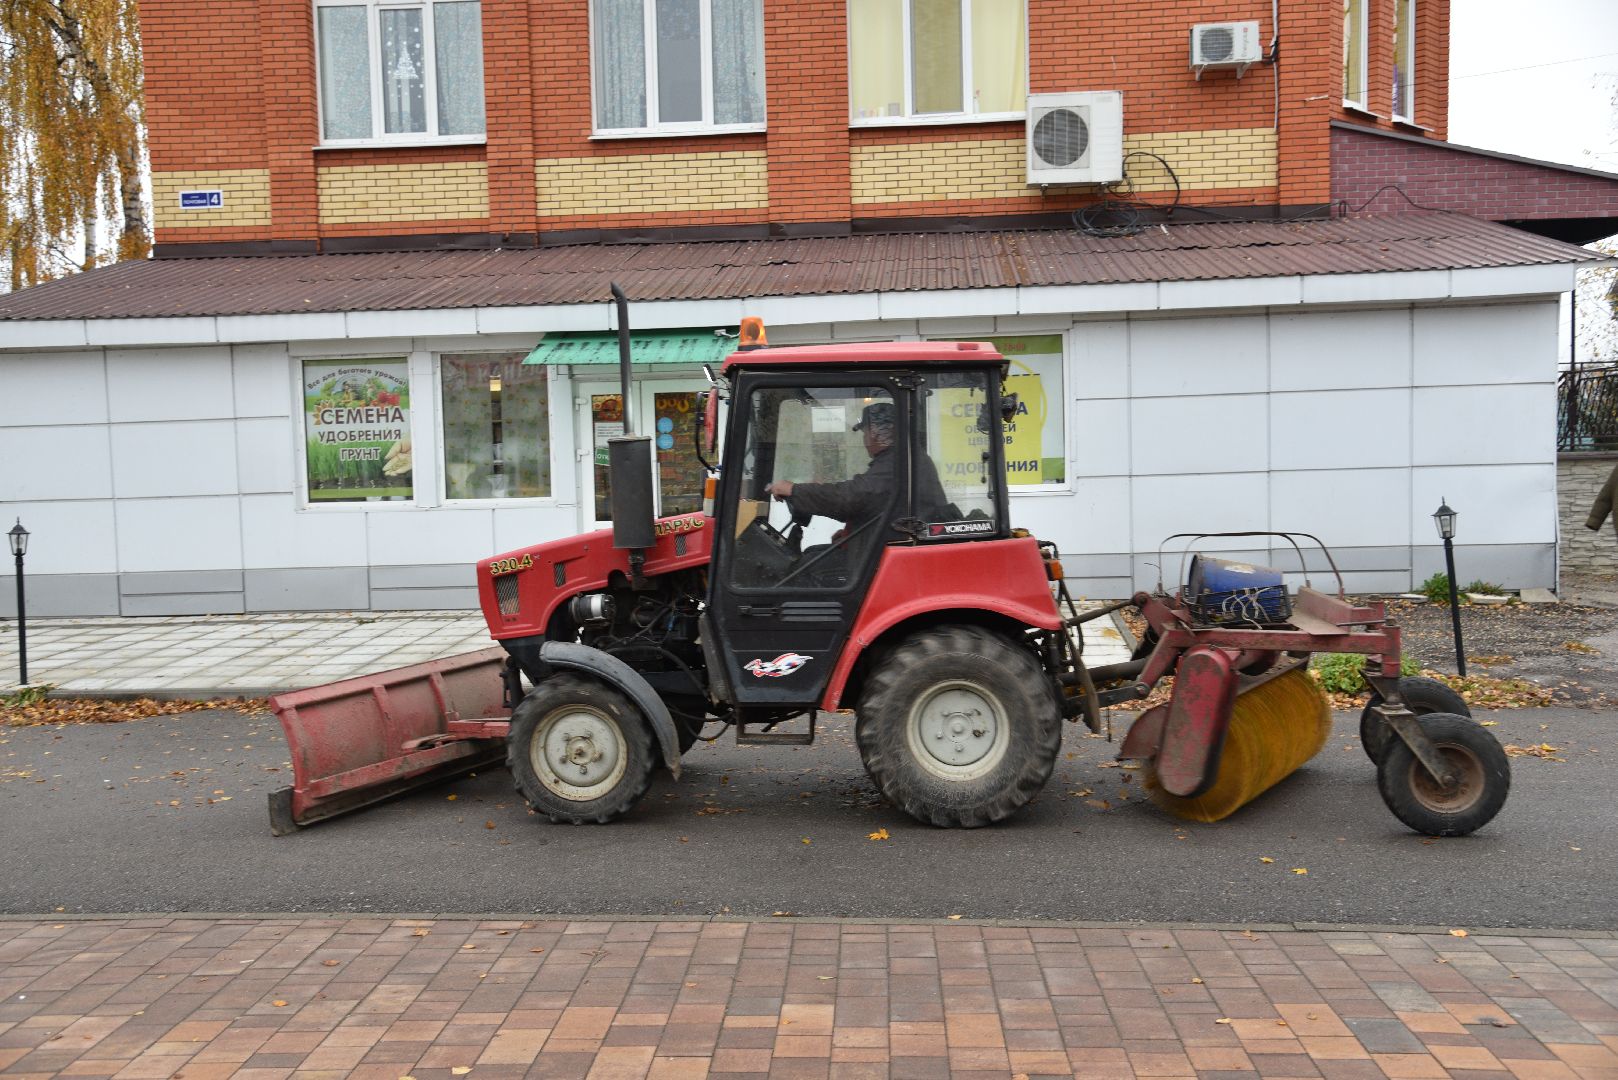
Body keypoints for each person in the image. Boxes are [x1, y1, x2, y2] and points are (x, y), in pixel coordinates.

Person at [765, 402, 947, 528]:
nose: (865, 439)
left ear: (876, 433)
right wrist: (849, 533)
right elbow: (873, 504)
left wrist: (794, 490)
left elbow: (851, 498)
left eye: (865, 432)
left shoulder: (898, 462)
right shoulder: (900, 458)